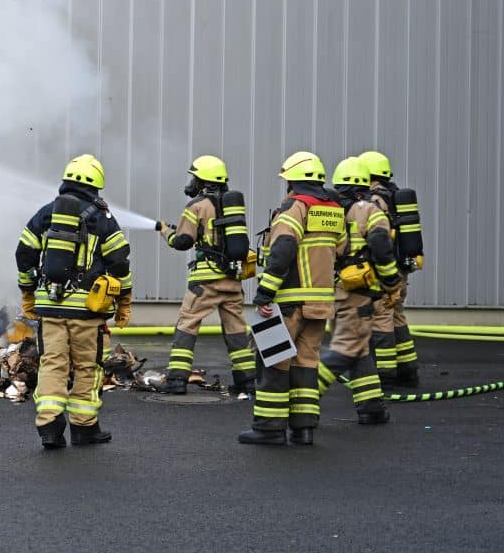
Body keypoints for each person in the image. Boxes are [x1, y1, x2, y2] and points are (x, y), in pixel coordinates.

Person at [16, 154, 133, 449]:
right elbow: (120, 264)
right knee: (87, 367)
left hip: (50, 308)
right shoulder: (103, 217)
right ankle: (84, 429)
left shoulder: (46, 213)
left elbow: (24, 253)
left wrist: (28, 292)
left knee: (52, 364)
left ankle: (50, 429)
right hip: (87, 311)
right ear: (96, 184)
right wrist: (124, 301)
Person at [240, 151, 345, 446]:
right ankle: (303, 428)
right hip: (321, 302)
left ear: (293, 181)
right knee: (306, 361)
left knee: (272, 360)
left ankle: (269, 428)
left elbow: (283, 248)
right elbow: (342, 249)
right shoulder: (334, 208)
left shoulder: (294, 207)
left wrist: (265, 292)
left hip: (289, 301)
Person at [157, 155, 256, 396]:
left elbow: (182, 242)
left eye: (195, 177)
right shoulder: (231, 205)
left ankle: (177, 380)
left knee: (187, 324)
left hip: (206, 280)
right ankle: (246, 382)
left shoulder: (197, 206)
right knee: (236, 330)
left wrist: (164, 231)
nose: (192, 182)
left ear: (203, 181)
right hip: (232, 280)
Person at [316, 157, 401, 425]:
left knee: (359, 348)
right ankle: (302, 398)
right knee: (348, 348)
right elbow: (381, 248)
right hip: (359, 292)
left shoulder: (327, 209)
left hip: (331, 289)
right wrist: (391, 284)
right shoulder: (369, 211)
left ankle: (371, 407)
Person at [358, 150, 421, 387]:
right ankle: (408, 370)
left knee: (381, 316)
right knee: (397, 315)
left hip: (385, 269)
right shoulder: (395, 196)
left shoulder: (374, 201)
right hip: (401, 268)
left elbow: (377, 238)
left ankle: (385, 376)